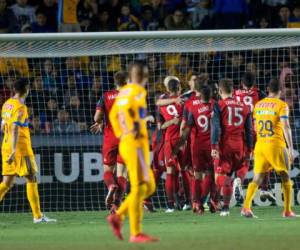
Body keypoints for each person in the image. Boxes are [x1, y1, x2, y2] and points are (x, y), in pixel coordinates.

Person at [107, 61, 158, 243]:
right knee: (140, 187)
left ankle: (118, 216)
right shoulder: (138, 91)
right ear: (144, 76)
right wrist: (137, 127)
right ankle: (135, 233)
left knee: (149, 186)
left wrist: (122, 132)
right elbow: (134, 112)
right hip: (136, 144)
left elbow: (113, 115)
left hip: (128, 143)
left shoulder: (123, 93)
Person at [0, 78, 56, 223]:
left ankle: (38, 216)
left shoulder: (7, 104)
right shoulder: (20, 107)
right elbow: (14, 127)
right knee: (31, 177)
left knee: (7, 182)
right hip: (19, 148)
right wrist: (13, 150)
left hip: (5, 145)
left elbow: (3, 126)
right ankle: (37, 216)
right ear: (26, 89)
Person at [241, 79, 298, 218]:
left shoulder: (258, 105)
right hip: (275, 145)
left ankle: (246, 207)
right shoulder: (282, 105)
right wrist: (290, 148)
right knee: (285, 176)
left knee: (258, 177)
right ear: (281, 90)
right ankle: (287, 211)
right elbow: (285, 126)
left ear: (268, 89)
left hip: (260, 145)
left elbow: (254, 128)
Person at [211, 78, 253, 216]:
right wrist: (250, 148)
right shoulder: (245, 106)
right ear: (233, 90)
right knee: (239, 170)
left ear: (220, 91)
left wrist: (214, 146)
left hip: (225, 145)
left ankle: (226, 206)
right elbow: (249, 130)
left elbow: (216, 127)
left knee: (221, 177)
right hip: (239, 144)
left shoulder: (219, 105)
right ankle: (225, 208)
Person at [233, 72, 276, 203]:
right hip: (257, 130)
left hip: (240, 131)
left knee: (245, 159)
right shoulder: (260, 93)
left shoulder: (235, 94)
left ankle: (239, 179)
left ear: (242, 83)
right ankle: (264, 188)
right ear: (254, 82)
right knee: (265, 158)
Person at [90, 71, 127, 213]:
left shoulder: (106, 96)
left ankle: (111, 186)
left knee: (107, 170)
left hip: (110, 137)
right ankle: (116, 205)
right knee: (122, 173)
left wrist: (99, 123)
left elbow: (97, 117)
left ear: (115, 82)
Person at [176, 83, 215, 214]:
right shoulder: (215, 105)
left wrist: (182, 142)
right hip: (211, 145)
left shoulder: (191, 105)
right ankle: (207, 201)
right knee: (210, 173)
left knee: (197, 175)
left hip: (196, 145)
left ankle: (195, 203)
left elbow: (184, 126)